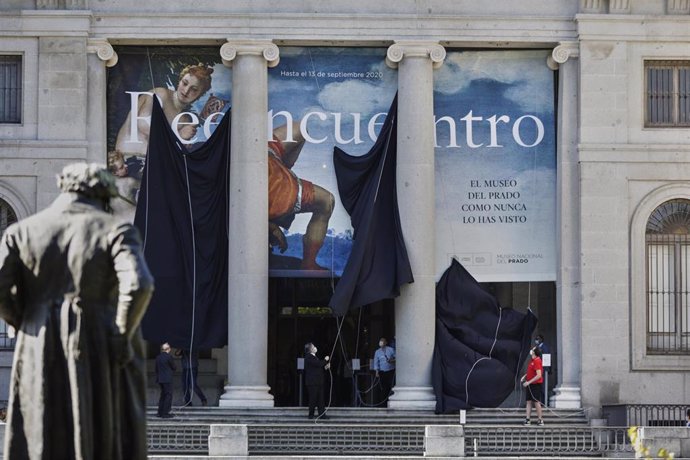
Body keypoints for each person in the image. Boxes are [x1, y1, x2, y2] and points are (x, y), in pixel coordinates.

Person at [0, 163, 154, 459]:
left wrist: (25, 321)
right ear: (103, 194)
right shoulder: (116, 230)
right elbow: (139, 284)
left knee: (40, 424)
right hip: (99, 338)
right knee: (107, 426)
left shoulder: (21, 232)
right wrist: (122, 333)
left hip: (38, 341)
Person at [268, 122, 335, 270]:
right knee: (326, 201)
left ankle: (282, 169)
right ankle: (309, 263)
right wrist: (270, 226)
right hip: (271, 183)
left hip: (267, 155)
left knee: (301, 128)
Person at [303, 342, 330, 419]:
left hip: (318, 381)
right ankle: (311, 414)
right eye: (313, 346)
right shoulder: (308, 357)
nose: (315, 347)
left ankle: (322, 414)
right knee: (313, 398)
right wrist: (325, 360)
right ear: (310, 349)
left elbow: (317, 368)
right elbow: (318, 364)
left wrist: (325, 367)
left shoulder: (314, 357)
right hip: (312, 382)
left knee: (320, 399)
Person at [521, 347, 544, 426]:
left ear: (535, 352)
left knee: (536, 402)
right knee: (528, 402)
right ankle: (528, 419)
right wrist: (525, 376)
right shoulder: (532, 361)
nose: (531, 350)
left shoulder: (537, 361)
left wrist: (528, 382)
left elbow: (539, 375)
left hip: (535, 385)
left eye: (533, 349)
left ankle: (540, 420)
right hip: (530, 385)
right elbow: (531, 371)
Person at [372, 337, 396, 406]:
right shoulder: (377, 352)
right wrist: (376, 371)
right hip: (382, 372)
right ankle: (383, 404)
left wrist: (392, 361)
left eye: (383, 341)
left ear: (386, 342)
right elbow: (376, 362)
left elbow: (396, 357)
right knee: (383, 388)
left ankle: (391, 402)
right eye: (380, 341)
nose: (381, 342)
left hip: (390, 371)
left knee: (391, 386)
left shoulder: (391, 350)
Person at [156, 342, 176, 418]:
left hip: (160, 379)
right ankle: (165, 413)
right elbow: (174, 367)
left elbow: (156, 369)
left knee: (162, 395)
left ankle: (159, 412)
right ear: (168, 349)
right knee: (168, 395)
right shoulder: (169, 357)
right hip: (167, 379)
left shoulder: (158, 357)